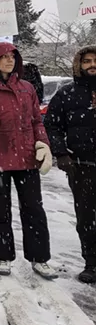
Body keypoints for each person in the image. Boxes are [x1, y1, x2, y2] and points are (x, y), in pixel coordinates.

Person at [0, 42, 56, 279]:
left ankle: (39, 257)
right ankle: (2, 255)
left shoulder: (27, 88)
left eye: (13, 56)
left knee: (34, 209)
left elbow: (37, 121)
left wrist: (43, 143)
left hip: (26, 157)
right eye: (3, 57)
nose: (9, 60)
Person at [44, 46, 96, 283]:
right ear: (79, 64)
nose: (91, 65)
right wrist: (61, 154)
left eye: (95, 61)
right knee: (87, 217)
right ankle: (92, 263)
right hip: (82, 165)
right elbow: (52, 125)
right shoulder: (66, 94)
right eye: (87, 61)